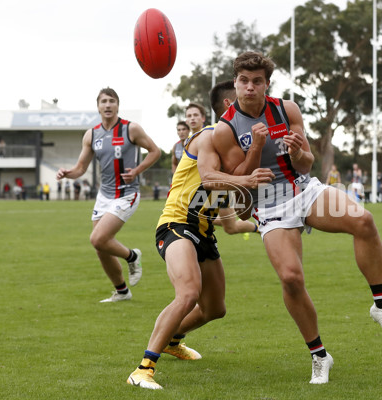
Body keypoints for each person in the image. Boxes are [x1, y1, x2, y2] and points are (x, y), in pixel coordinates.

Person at [208, 52, 382, 385]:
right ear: (236, 83)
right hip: (268, 204)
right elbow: (239, 180)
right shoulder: (225, 128)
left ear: (267, 84)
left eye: (257, 81)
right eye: (244, 80)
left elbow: (307, 163)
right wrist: (256, 146)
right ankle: (319, 356)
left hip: (303, 190)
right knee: (290, 278)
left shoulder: (287, 110)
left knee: (364, 221)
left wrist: (299, 151)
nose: (250, 87)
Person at [126, 85, 275, 390]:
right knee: (188, 293)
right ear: (228, 104)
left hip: (203, 232)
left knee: (214, 308)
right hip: (176, 226)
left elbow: (236, 219)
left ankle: (173, 341)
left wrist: (265, 219)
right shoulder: (208, 136)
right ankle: (143, 369)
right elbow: (209, 178)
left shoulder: (236, 151)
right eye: (246, 104)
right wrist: (245, 179)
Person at [56, 87, 160, 303]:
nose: (108, 105)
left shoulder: (131, 129)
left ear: (117, 105)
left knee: (98, 238)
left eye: (111, 101)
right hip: (104, 196)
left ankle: (133, 256)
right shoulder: (92, 135)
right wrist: (68, 173)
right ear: (98, 107)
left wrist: (137, 171)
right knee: (100, 247)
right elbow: (80, 168)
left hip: (126, 194)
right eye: (103, 101)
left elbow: (155, 151)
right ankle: (122, 291)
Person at [208, 80, 260, 238]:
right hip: (207, 188)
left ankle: (259, 228)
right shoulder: (210, 135)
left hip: (218, 188)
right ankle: (260, 227)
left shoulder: (234, 134)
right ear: (228, 104)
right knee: (228, 226)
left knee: (230, 227)